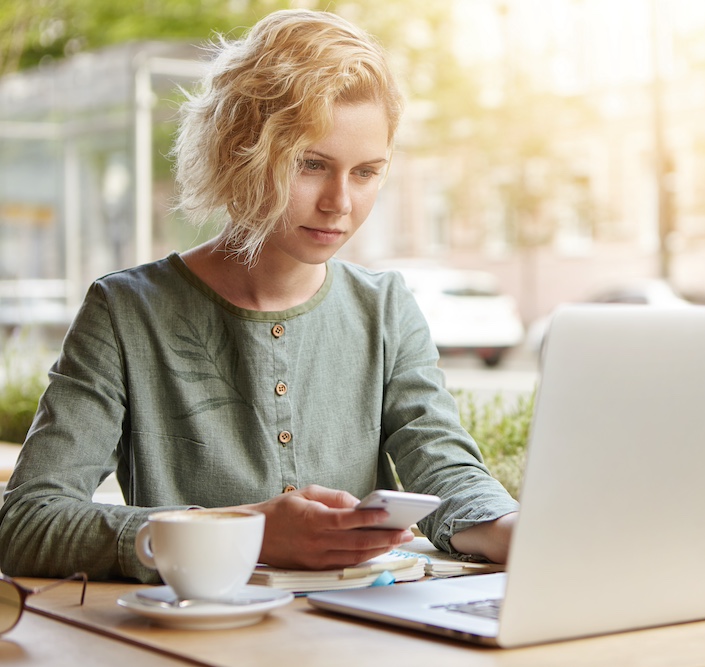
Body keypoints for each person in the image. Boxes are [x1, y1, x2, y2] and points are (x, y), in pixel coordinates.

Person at [0, 9, 518, 582]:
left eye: (366, 172)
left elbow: (446, 472)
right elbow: (27, 524)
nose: (340, 203)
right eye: (310, 164)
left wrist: (515, 530)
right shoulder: (126, 312)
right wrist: (245, 529)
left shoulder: (387, 309)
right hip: (200, 627)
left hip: (361, 625)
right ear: (238, 152)